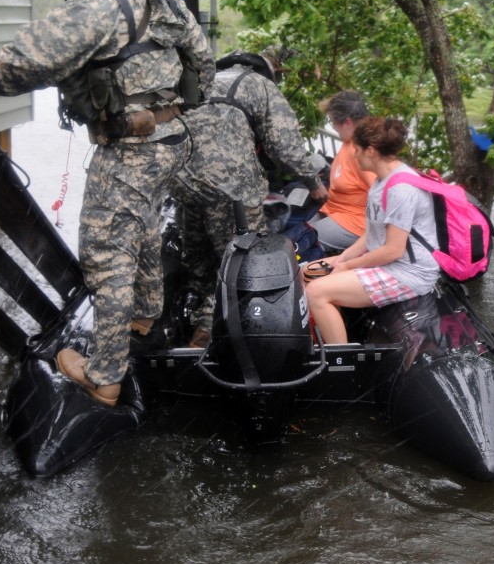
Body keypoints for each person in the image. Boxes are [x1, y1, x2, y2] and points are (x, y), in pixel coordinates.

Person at [0, 0, 215, 405]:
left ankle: (104, 374)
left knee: (106, 251)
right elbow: (205, 63)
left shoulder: (100, 5)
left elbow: (32, 57)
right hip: (173, 141)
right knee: (145, 226)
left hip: (131, 148)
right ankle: (144, 315)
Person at [171, 48, 328, 348]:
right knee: (239, 261)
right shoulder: (261, 86)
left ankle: (187, 321)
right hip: (231, 190)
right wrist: (313, 183)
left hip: (180, 181)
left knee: (198, 262)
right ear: (268, 70)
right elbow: (285, 147)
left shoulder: (203, 79)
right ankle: (206, 336)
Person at [305, 116, 440, 344]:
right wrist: (345, 258)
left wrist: (347, 266)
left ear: (370, 151)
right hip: (388, 261)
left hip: (407, 272)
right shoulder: (381, 180)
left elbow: (393, 250)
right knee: (306, 272)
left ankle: (342, 361)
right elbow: (372, 233)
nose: (353, 154)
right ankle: (328, 331)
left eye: (356, 149)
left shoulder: (402, 189)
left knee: (316, 292)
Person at [308, 90, 375, 251]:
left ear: (347, 123)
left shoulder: (363, 150)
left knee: (300, 244)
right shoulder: (349, 141)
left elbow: (386, 192)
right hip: (335, 210)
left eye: (333, 123)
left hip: (356, 221)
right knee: (293, 234)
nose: (334, 128)